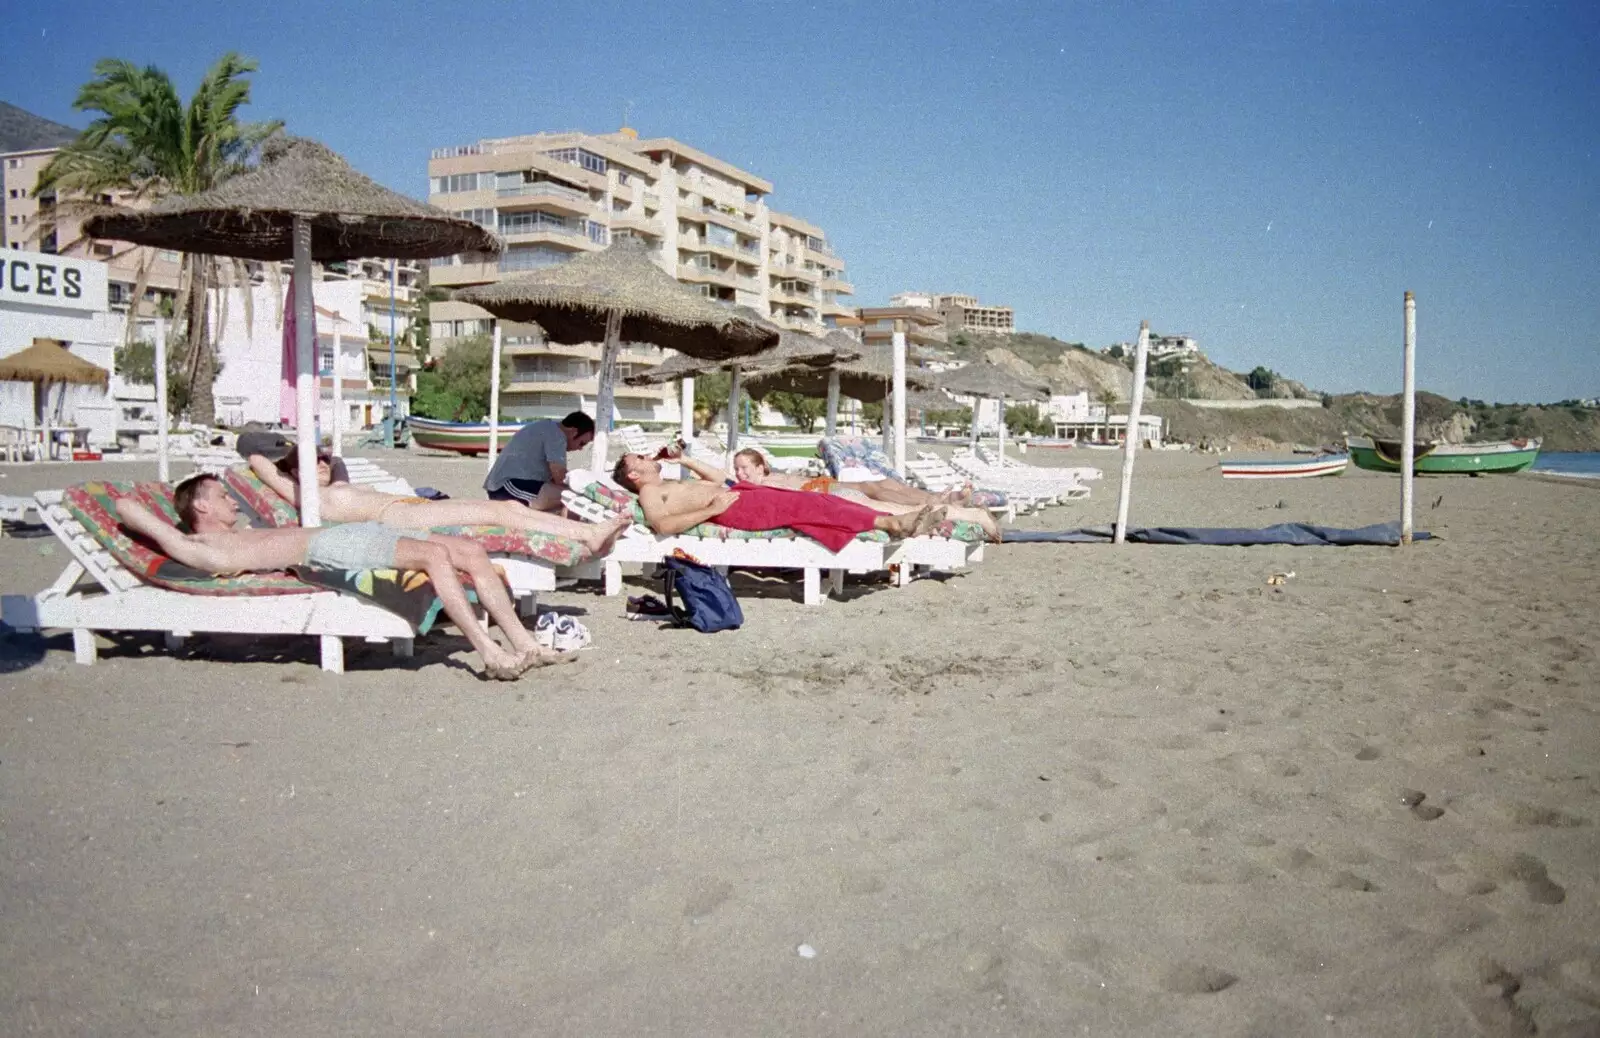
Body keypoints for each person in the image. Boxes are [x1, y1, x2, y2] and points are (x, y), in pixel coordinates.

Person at [117, 474, 571, 681]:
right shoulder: (203, 547)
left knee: (470, 551)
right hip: (325, 548)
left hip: (339, 536)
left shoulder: (238, 533)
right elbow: (126, 509)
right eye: (220, 497)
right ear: (199, 508)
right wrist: (155, 506)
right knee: (434, 556)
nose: (232, 503)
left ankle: (526, 644)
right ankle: (489, 652)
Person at [250, 448, 630, 557]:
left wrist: (325, 456)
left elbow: (338, 461)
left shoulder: (335, 483)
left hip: (408, 508)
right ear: (293, 473)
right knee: (500, 510)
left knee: (511, 510)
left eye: (320, 459)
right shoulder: (312, 497)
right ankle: (589, 533)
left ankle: (586, 534)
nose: (320, 464)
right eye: (309, 462)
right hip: (397, 517)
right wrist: (288, 457)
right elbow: (256, 459)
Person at [612, 453, 946, 551]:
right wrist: (711, 510)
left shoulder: (670, 480)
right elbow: (662, 525)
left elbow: (716, 480)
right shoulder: (649, 493)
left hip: (742, 497)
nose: (645, 456)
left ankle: (893, 519)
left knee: (812, 504)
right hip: (734, 509)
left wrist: (684, 459)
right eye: (637, 459)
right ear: (634, 476)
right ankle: (892, 522)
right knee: (813, 506)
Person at [669, 447, 1002, 542]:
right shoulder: (746, 486)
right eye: (737, 469)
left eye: (745, 467)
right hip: (824, 494)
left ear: (760, 465)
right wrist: (684, 460)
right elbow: (715, 476)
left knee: (884, 487)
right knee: (882, 500)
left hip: (823, 488)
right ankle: (955, 509)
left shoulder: (768, 477)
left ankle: (947, 501)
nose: (740, 473)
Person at [483, 411, 596, 512]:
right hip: (508, 486)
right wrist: (587, 487)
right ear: (574, 432)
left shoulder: (548, 427)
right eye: (582, 443)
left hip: (502, 485)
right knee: (573, 496)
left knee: (564, 498)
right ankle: (571, 532)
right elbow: (560, 477)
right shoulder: (557, 435)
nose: (580, 448)